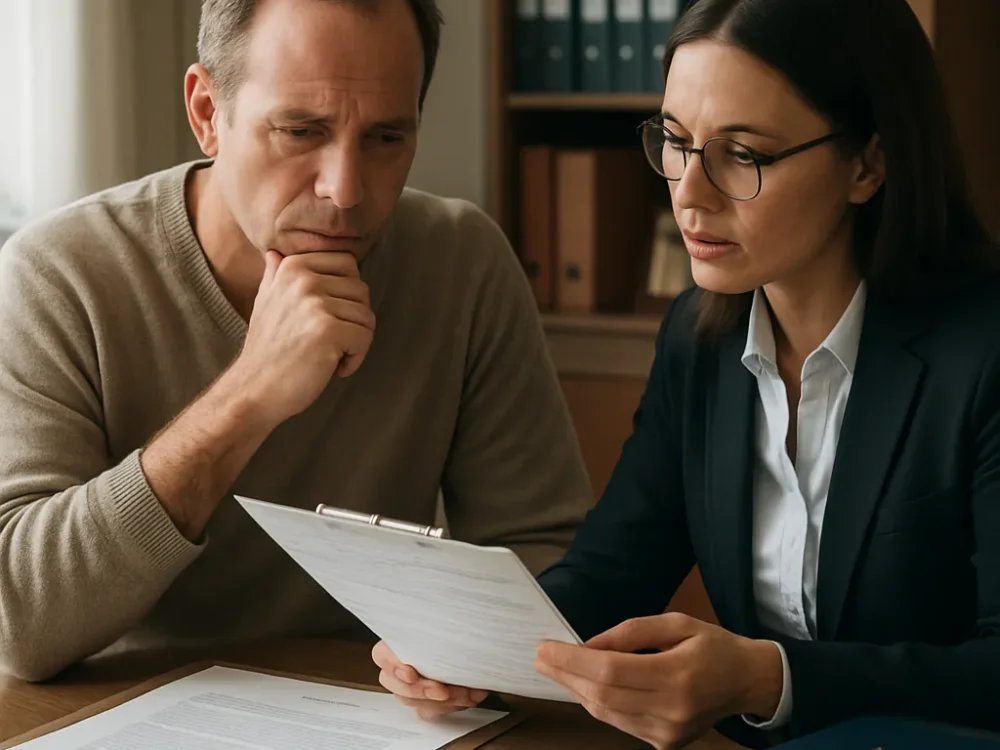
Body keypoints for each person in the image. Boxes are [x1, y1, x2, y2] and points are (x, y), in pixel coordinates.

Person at [372, 0, 1000, 747]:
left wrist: (768, 677)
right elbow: (613, 571)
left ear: (867, 163)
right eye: (675, 143)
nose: (687, 195)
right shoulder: (699, 341)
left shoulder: (983, 351)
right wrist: (469, 645)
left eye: (743, 155)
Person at [0, 0, 592, 682]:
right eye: (301, 130)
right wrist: (248, 397)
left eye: (386, 138)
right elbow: (18, 627)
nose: (344, 189)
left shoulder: (463, 262)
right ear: (206, 113)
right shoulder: (61, 273)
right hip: (124, 716)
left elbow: (549, 556)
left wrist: (466, 652)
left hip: (379, 714)